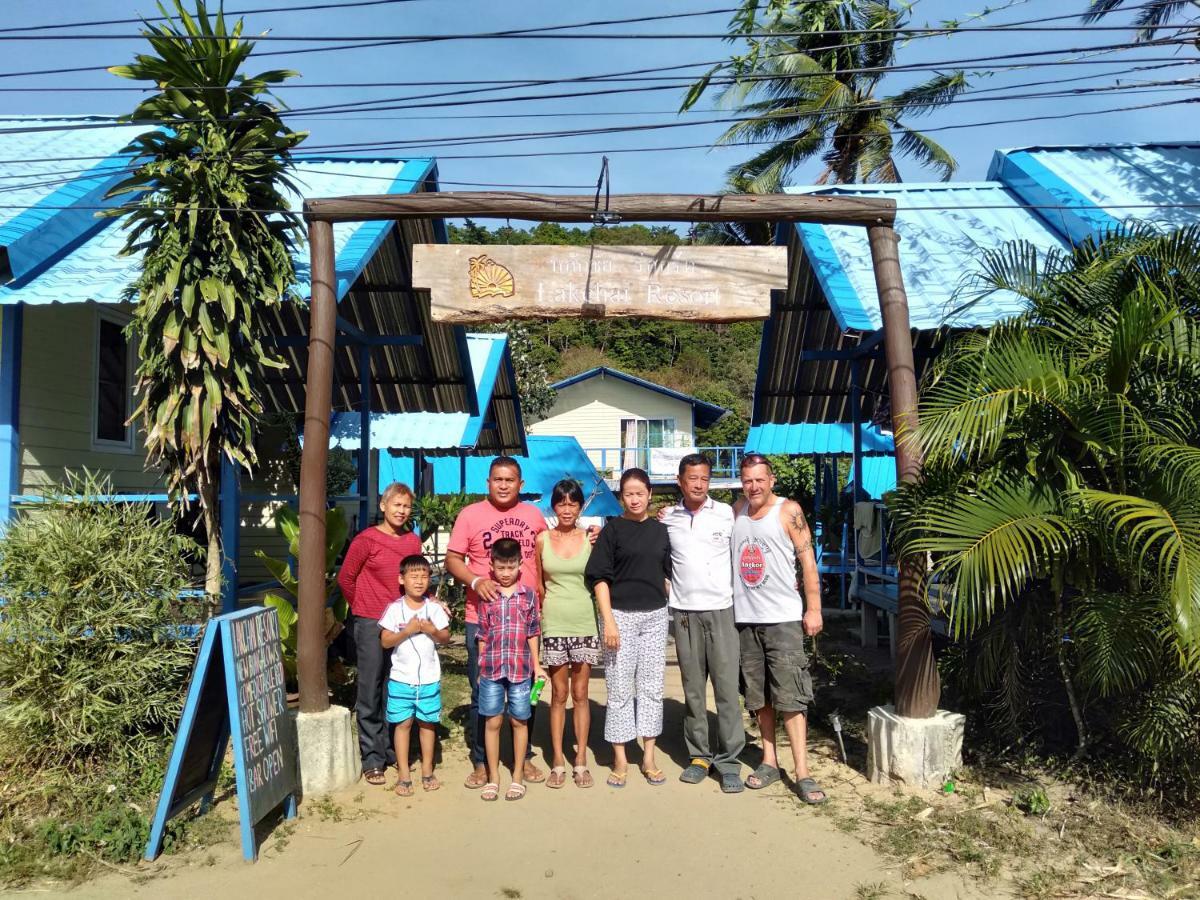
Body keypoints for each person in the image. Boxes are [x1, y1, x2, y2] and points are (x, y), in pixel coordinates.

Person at [445, 457, 548, 790]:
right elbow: (452, 559)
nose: (504, 485)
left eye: (511, 479)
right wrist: (475, 582)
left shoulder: (533, 515)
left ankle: (525, 758)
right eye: (498, 479)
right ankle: (481, 762)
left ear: (521, 483)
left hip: (523, 619)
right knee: (481, 692)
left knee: (524, 691)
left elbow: (549, 551)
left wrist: (587, 536)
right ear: (487, 482)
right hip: (483, 619)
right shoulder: (470, 515)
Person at [733, 454, 826, 803]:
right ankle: (769, 760)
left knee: (791, 695)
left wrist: (813, 608)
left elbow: (807, 560)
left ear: (772, 480)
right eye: (747, 480)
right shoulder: (737, 509)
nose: (753, 486)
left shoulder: (789, 510)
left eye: (759, 479)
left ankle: (802, 771)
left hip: (783, 618)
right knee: (758, 696)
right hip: (746, 619)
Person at [659, 454, 745, 793]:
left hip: (722, 611)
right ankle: (699, 756)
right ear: (680, 480)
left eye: (704, 478)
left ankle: (729, 761)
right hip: (683, 614)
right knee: (693, 690)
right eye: (692, 477)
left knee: (725, 689)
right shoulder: (668, 519)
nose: (698, 484)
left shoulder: (726, 514)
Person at [585, 468, 672, 788]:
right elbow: (599, 579)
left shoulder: (662, 531)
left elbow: (668, 573)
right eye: (628, 493)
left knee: (651, 687)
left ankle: (648, 756)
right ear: (621, 497)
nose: (634, 499)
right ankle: (620, 758)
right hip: (618, 616)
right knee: (619, 688)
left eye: (640, 492)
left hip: (654, 617)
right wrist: (608, 621)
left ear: (649, 494)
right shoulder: (612, 531)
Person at [337, 482, 423, 786]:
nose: (401, 511)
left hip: (402, 623)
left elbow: (416, 579)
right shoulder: (366, 540)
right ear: (383, 506)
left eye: (407, 506)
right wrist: (362, 608)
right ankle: (372, 756)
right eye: (396, 504)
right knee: (370, 688)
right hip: (371, 622)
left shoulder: (413, 542)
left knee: (395, 686)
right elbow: (346, 578)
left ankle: (391, 749)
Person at [534, 479, 598, 790]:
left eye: (573, 503)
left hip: (585, 622)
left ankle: (581, 760)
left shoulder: (591, 538)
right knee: (558, 695)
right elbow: (539, 587)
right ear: (554, 506)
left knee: (581, 695)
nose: (567, 509)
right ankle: (558, 760)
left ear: (580, 505)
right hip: (555, 624)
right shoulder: (542, 540)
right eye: (562, 503)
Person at [476, 538, 546, 802]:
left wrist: (537, 666)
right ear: (491, 566)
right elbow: (482, 633)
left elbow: (532, 632)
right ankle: (494, 777)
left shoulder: (528, 596)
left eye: (511, 567)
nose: (506, 573)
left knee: (519, 720)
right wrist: (480, 665)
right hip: (491, 669)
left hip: (520, 669)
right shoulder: (488, 596)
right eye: (501, 568)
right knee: (492, 721)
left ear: (520, 565)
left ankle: (517, 776)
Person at [379, 555, 451, 797]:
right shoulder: (394, 609)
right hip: (401, 679)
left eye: (424, 577)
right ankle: (403, 774)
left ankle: (427, 770)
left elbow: (445, 637)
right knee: (403, 724)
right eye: (414, 576)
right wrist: (407, 631)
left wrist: (431, 630)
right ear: (402, 579)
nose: (419, 582)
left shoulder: (434, 609)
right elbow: (386, 641)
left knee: (427, 723)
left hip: (429, 679)